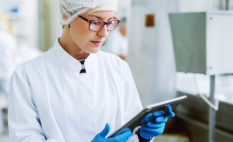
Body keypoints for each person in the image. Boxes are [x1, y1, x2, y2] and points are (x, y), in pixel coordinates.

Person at [8, 0, 175, 141]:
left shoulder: (118, 68)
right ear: (67, 15)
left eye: (110, 22)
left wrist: (143, 135)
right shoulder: (27, 77)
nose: (104, 33)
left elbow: (131, 133)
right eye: (95, 22)